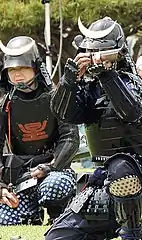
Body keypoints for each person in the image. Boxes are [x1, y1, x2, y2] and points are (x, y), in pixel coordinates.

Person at [45, 17, 142, 240]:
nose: (96, 59)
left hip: (140, 175)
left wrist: (106, 75)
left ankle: (132, 234)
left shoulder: (134, 82)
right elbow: (64, 114)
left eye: (102, 53)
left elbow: (131, 111)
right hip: (102, 177)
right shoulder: (88, 88)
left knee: (121, 166)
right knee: (58, 237)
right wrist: (69, 82)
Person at [0, 36, 80, 225]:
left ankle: (58, 213)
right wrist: (1, 186)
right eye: (12, 69)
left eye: (22, 68)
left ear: (35, 67)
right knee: (6, 218)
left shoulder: (56, 98)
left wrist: (52, 166)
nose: (17, 74)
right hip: (20, 175)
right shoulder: (5, 105)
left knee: (55, 186)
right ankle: (31, 215)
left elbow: (70, 137)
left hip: (54, 169)